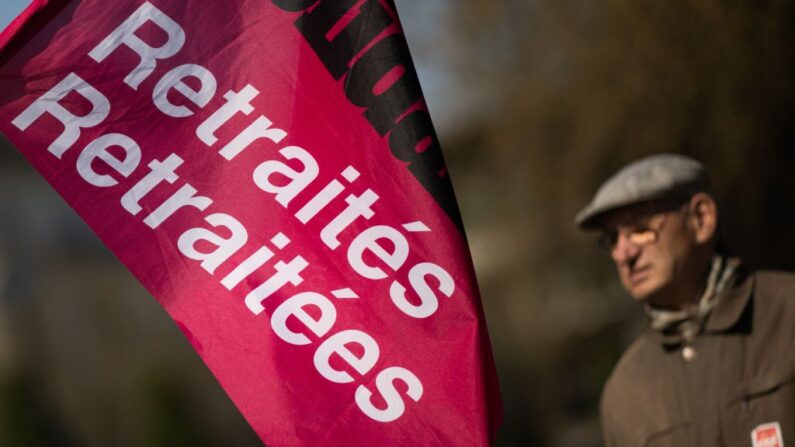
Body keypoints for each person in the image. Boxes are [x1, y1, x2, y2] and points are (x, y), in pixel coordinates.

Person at [575, 154, 794, 447]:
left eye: (641, 229)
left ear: (702, 218)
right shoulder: (624, 392)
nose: (623, 253)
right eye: (612, 239)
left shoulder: (787, 312)